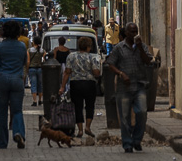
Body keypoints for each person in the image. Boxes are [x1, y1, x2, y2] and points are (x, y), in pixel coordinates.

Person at [107, 21, 153, 153]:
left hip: (139, 85)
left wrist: (139, 48)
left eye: (136, 32)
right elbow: (110, 64)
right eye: (132, 32)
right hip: (124, 88)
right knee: (125, 117)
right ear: (126, 33)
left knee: (142, 112)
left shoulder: (142, 47)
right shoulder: (119, 48)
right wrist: (121, 74)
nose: (134, 34)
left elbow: (148, 61)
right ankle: (127, 143)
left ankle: (137, 139)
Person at [0, 19, 29, 149]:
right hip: (17, 80)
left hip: (2, 79)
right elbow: (25, 62)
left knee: (2, 111)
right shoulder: (22, 46)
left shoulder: (0, 46)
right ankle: (18, 132)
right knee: (17, 110)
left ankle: (2, 143)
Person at [59, 36, 100, 139]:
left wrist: (62, 87)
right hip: (89, 84)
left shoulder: (71, 56)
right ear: (88, 47)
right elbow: (96, 73)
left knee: (78, 107)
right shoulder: (93, 57)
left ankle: (80, 130)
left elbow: (67, 72)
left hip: (75, 84)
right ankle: (88, 127)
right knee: (90, 106)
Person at [28, 36, 45, 106]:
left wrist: (27, 68)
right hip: (40, 69)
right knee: (40, 85)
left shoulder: (29, 50)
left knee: (33, 85)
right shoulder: (42, 51)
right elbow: (43, 60)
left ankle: (34, 101)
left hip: (32, 69)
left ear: (33, 42)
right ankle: (40, 100)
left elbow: (28, 61)